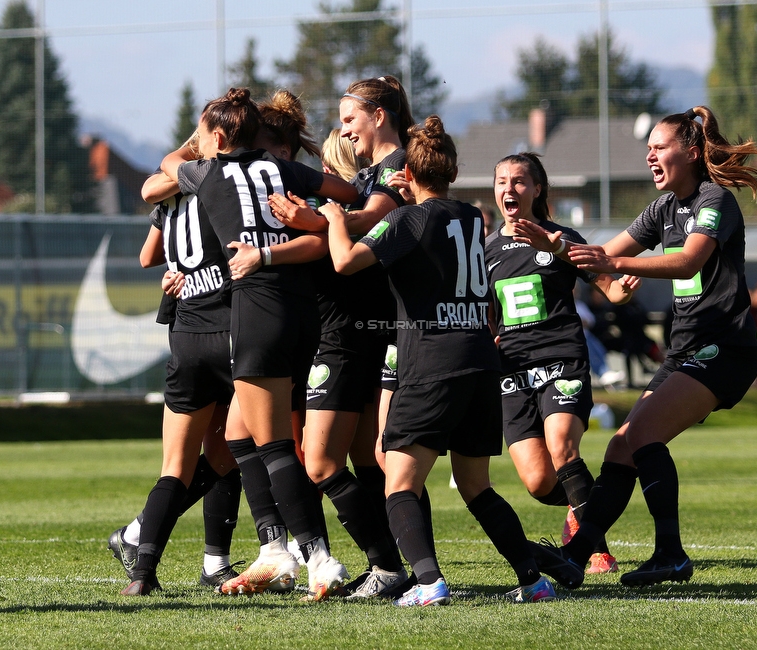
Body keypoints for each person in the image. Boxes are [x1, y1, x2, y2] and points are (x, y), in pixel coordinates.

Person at [518, 106, 757, 586]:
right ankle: (576, 557)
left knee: (643, 437)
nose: (650, 157)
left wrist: (613, 265)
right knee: (620, 448)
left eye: (659, 148)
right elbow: (605, 255)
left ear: (691, 152)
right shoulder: (663, 208)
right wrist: (556, 249)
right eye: (648, 149)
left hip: (722, 350)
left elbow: (688, 262)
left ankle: (669, 555)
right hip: (685, 351)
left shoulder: (714, 200)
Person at [324, 115, 557, 606]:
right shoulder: (472, 217)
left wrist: (332, 220)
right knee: (477, 487)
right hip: (479, 362)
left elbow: (345, 262)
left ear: (406, 173)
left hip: (432, 363)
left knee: (399, 483)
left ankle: (429, 584)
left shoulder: (406, 219)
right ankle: (533, 581)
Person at [160, 87, 360, 600]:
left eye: (205, 134)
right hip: (303, 314)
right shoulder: (284, 170)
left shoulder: (206, 172)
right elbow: (346, 193)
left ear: (219, 137)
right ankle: (273, 549)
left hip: (257, 311)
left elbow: (167, 164)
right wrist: (308, 221)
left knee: (274, 447)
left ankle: (318, 557)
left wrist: (192, 145)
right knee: (241, 435)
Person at [267, 77, 416, 599]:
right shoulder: (376, 171)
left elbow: (370, 220)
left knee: (321, 462)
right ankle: (398, 564)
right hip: (362, 328)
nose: (344, 128)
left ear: (378, 115)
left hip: (350, 333)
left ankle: (390, 565)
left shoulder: (398, 168)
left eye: (350, 117)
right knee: (364, 460)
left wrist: (313, 220)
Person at [485, 152, 639, 577]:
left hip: (560, 361)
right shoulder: (487, 251)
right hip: (512, 372)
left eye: (519, 181)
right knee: (537, 482)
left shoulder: (561, 238)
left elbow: (610, 289)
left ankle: (595, 550)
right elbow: (488, 316)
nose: (509, 189)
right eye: (502, 181)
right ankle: (580, 506)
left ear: (537, 189)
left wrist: (622, 290)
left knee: (562, 449)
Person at [107, 131, 243, 596]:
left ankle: (148, 558)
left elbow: (148, 254)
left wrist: (183, 269)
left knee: (201, 461)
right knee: (247, 451)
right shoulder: (225, 182)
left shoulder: (171, 188)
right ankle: (287, 553)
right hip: (228, 330)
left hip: (186, 333)